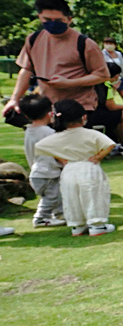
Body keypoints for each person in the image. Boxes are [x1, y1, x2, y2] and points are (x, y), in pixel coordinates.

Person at [2, 0, 109, 124]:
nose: (52, 23)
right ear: (39, 17)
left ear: (69, 19)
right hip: (45, 108)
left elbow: (102, 75)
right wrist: (14, 99)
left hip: (78, 108)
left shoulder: (85, 44)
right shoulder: (33, 39)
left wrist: (69, 83)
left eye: (58, 20)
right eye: (47, 19)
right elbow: (26, 70)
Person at [34, 99, 115, 236]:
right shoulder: (90, 133)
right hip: (89, 167)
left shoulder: (57, 137)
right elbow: (109, 144)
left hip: (69, 169)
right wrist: (98, 156)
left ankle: (77, 224)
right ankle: (97, 225)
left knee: (71, 197)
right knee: (93, 195)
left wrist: (61, 157)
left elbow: (39, 146)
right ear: (84, 117)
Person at [19, 94, 65, 227]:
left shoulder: (29, 130)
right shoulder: (48, 132)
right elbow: (56, 152)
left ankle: (59, 214)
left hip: (36, 172)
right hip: (47, 173)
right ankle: (40, 218)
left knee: (56, 195)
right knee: (52, 197)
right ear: (49, 112)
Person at [100, 38, 123, 105]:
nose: (109, 45)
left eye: (110, 44)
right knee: (109, 97)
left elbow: (122, 65)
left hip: (119, 78)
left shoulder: (118, 54)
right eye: (107, 43)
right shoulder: (102, 54)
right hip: (108, 79)